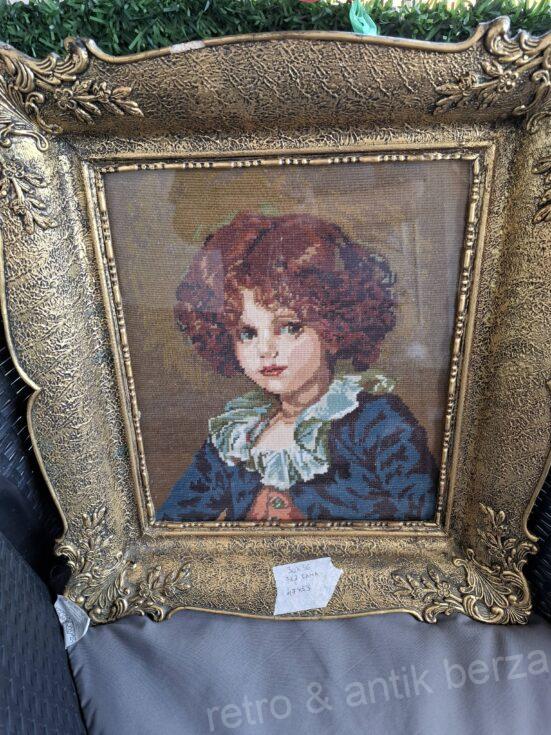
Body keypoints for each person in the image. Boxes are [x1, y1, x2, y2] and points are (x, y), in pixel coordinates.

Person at [157, 211, 438, 522]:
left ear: (333, 328)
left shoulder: (378, 422)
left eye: (289, 327)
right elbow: (172, 524)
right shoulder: (237, 436)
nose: (265, 350)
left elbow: (419, 517)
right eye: (247, 333)